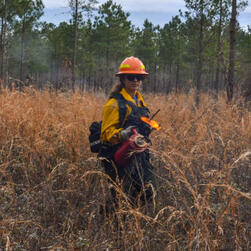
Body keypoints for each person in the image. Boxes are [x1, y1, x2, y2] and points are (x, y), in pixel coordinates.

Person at [99, 56, 156, 214]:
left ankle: (127, 217)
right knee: (120, 198)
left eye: (139, 77)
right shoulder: (114, 104)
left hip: (139, 156)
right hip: (120, 158)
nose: (135, 80)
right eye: (131, 77)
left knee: (147, 193)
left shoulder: (139, 100)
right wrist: (123, 134)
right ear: (123, 79)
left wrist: (147, 128)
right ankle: (112, 223)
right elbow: (106, 134)